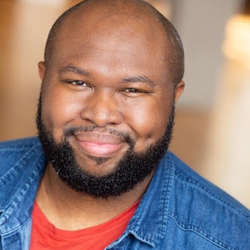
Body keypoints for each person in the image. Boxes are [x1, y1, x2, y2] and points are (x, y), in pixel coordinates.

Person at [0, 0, 249, 249]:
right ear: (44, 80)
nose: (100, 114)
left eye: (133, 90)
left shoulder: (229, 240)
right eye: (78, 83)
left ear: (174, 96)